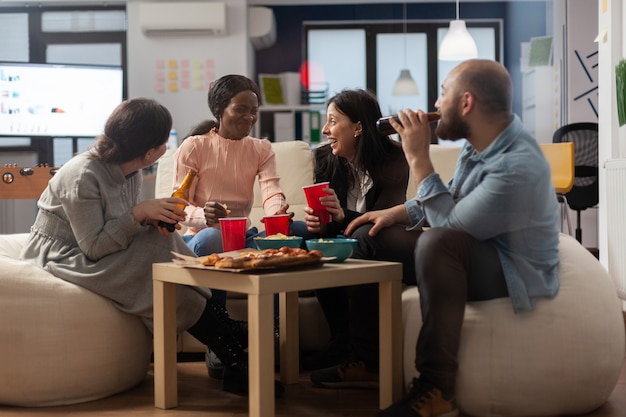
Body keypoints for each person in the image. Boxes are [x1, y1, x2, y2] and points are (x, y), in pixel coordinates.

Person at [324, 59, 559, 416]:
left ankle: (436, 388)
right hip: (475, 247)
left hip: (512, 267)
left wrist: (418, 157)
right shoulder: (480, 143)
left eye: (443, 94)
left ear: (466, 103)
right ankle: (369, 361)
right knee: (369, 236)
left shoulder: (517, 163)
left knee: (436, 243)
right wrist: (393, 213)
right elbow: (452, 196)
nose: (434, 105)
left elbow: (451, 227)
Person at [18, 97, 277, 397]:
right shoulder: (83, 176)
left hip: (99, 246)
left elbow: (122, 227)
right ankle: (228, 343)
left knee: (162, 239)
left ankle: (227, 343)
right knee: (155, 250)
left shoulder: (131, 170)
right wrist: (139, 214)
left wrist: (150, 219)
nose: (167, 146)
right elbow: (93, 246)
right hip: (65, 254)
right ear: (150, 151)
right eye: (165, 139)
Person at [170, 74, 306, 378]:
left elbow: (271, 190)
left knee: (291, 237)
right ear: (220, 109)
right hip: (200, 239)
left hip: (240, 237)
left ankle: (271, 333)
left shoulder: (260, 149)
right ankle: (219, 341)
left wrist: (276, 219)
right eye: (240, 110)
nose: (249, 118)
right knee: (210, 239)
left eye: (253, 111)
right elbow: (177, 206)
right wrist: (202, 215)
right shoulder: (195, 147)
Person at [300, 88, 413, 374]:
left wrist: (341, 216)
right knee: (306, 235)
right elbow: (328, 222)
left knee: (361, 238)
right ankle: (340, 341)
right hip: (341, 235)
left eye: (333, 121)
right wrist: (321, 220)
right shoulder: (324, 158)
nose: (326, 130)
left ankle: (358, 352)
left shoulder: (394, 159)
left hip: (378, 239)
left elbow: (381, 222)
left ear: (358, 127)